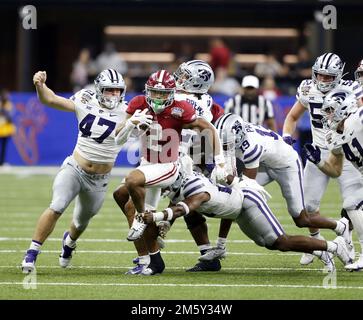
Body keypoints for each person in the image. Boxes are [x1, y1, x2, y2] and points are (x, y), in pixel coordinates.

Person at [21, 68, 152, 273]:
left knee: (80, 223)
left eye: (117, 91)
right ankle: (32, 253)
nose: (114, 95)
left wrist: (134, 124)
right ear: (99, 89)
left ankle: (69, 242)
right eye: (109, 90)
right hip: (75, 167)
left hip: (99, 179)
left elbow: (123, 135)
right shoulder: (85, 98)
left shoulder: (126, 112)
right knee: (57, 205)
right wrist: (40, 85)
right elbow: (52, 100)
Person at [112, 69, 226, 275]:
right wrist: (131, 124)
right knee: (123, 197)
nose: (158, 98)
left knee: (132, 181)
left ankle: (142, 220)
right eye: (154, 92)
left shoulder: (181, 108)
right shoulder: (138, 103)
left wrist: (219, 161)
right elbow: (117, 140)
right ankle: (151, 261)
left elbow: (208, 128)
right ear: (147, 91)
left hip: (170, 165)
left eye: (163, 94)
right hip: (148, 163)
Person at [202, 113, 352, 264]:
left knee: (301, 219)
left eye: (227, 144)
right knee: (233, 196)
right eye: (222, 143)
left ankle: (340, 225)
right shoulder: (233, 136)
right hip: (265, 164)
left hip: (286, 165)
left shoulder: (250, 147)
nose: (224, 148)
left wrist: (225, 176)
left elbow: (247, 185)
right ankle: (221, 246)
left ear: (238, 137)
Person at [141, 170, 352, 272]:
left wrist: (158, 217)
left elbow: (186, 207)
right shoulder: (181, 190)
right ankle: (320, 250)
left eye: (166, 184)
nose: (164, 189)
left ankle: (334, 245)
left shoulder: (194, 187)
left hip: (247, 201)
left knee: (280, 241)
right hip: (236, 209)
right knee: (269, 244)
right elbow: (181, 208)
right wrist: (164, 226)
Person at [282, 52, 363, 267]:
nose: (323, 80)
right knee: (307, 207)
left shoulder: (352, 89)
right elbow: (292, 117)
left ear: (338, 75)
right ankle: (315, 244)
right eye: (320, 75)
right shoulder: (308, 88)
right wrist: (287, 138)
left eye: (328, 77)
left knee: (353, 203)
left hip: (345, 151)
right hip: (319, 151)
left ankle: (354, 246)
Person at [304, 88, 363, 270]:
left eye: (330, 110)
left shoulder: (358, 119)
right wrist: (319, 162)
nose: (327, 116)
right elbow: (335, 170)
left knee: (353, 202)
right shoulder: (333, 136)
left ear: (343, 108)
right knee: (352, 203)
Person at [0, 89, 15, 166]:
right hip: (1, 128)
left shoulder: (8, 105)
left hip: (5, 129)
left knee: (4, 147)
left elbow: (10, 117)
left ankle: (2, 162)